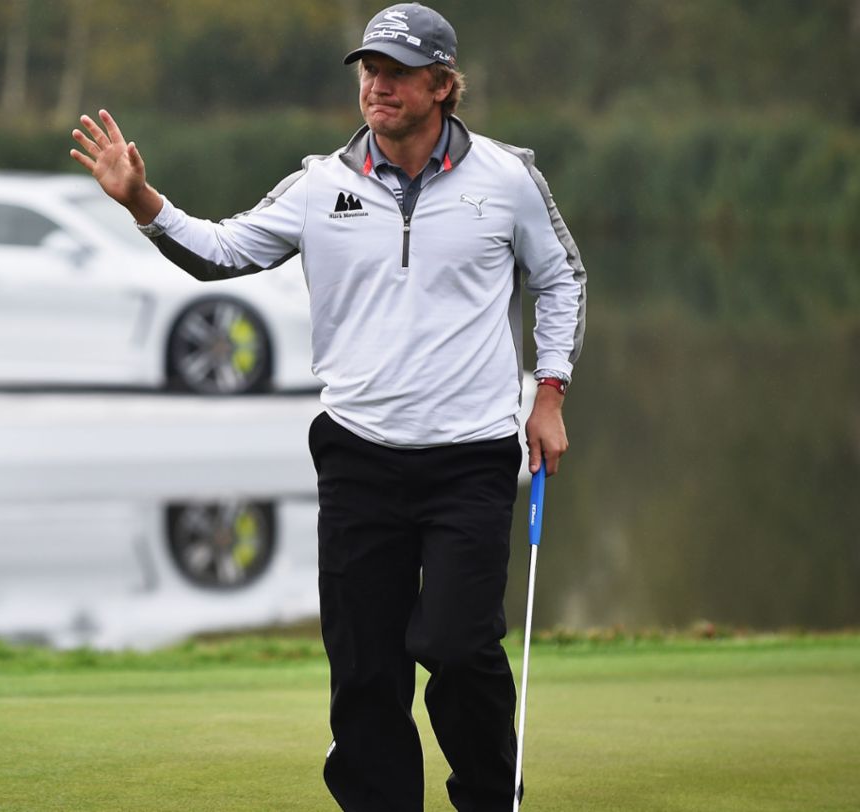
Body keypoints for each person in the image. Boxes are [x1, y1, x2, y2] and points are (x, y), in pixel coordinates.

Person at [70, 3, 585, 809]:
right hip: (359, 457)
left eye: (398, 72)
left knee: (454, 647)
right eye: (369, 70)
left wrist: (548, 391)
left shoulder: (507, 177)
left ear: (444, 85)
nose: (377, 86)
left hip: (472, 458)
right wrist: (144, 202)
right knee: (366, 667)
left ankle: (490, 796)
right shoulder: (321, 184)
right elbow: (223, 251)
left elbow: (560, 279)